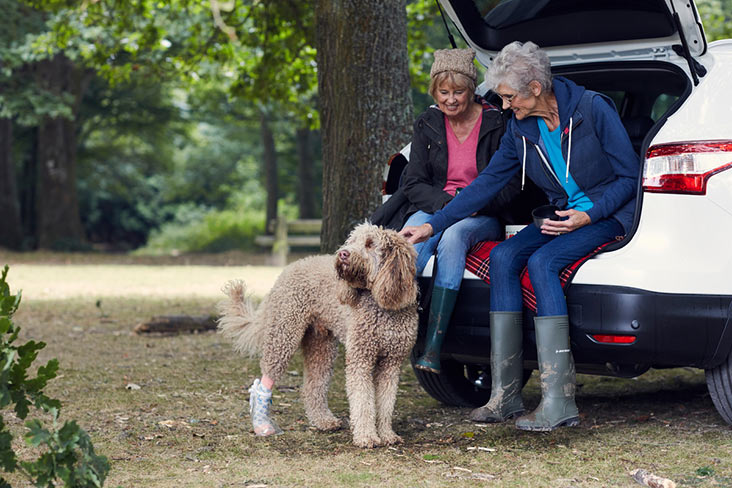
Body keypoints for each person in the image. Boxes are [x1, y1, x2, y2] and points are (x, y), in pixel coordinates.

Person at [400, 41, 639, 431]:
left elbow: (630, 178)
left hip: (607, 213)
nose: (506, 106)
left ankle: (559, 401)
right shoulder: (520, 127)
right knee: (503, 257)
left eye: (510, 97)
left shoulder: (593, 109)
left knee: (543, 262)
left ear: (535, 88)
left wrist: (588, 215)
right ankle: (505, 396)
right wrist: (432, 225)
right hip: (560, 213)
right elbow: (487, 184)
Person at [400, 48, 528, 375]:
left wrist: (470, 205)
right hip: (436, 206)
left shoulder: (497, 122)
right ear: (434, 92)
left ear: (472, 90)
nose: (451, 100)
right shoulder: (427, 122)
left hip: (482, 213)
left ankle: (434, 345)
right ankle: (399, 333)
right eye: (444, 92)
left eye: (459, 92)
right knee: (407, 243)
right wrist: (450, 205)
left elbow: (512, 187)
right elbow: (413, 183)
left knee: (453, 237)